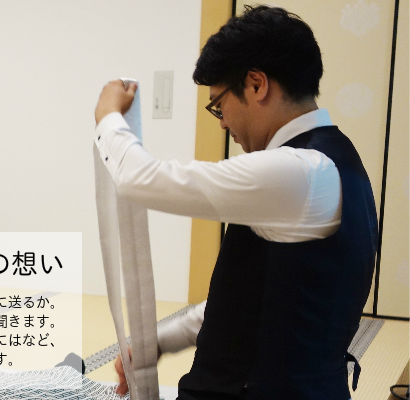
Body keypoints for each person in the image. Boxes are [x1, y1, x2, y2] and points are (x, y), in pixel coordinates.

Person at [97, 6, 377, 400]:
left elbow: (139, 179)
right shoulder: (336, 159)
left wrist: (108, 116)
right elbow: (245, 301)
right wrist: (158, 341)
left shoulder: (298, 172)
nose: (222, 121)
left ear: (257, 84)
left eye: (219, 104)